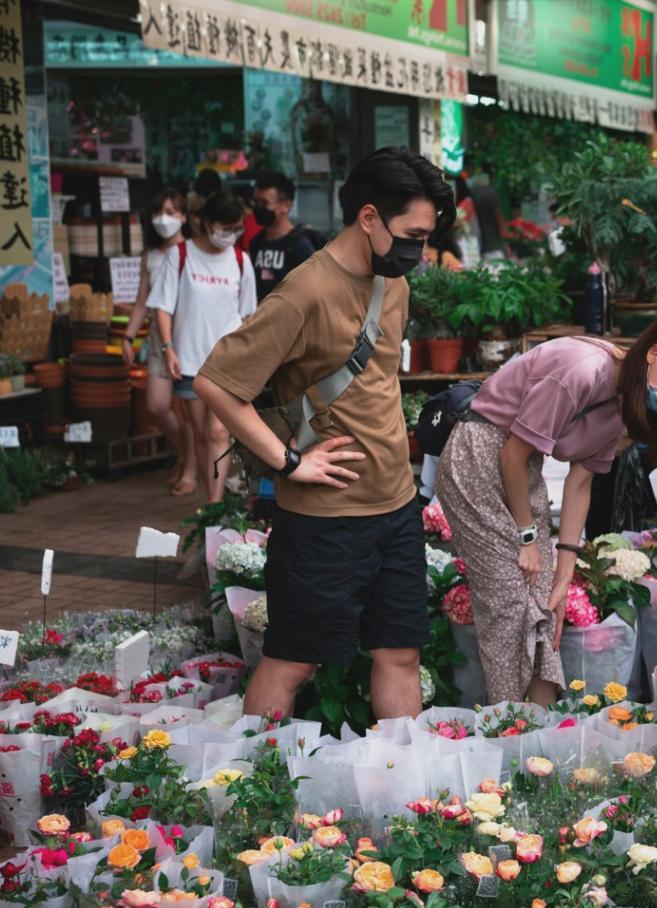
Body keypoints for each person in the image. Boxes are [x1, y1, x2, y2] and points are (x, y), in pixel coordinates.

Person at [194, 146, 453, 722]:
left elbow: (378, 384)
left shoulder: (394, 283)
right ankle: (252, 793)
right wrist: (288, 462)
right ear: (367, 218)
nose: (420, 250)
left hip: (396, 505)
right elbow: (216, 382)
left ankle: (399, 791)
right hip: (323, 521)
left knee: (401, 654)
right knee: (293, 660)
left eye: (426, 236)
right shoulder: (304, 291)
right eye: (411, 234)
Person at [436, 309, 657, 706]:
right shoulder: (581, 370)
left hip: (522, 472)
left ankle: (538, 736)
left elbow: (581, 481)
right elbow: (511, 454)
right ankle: (507, 733)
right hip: (478, 456)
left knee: (546, 607)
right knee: (507, 607)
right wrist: (527, 537)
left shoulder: (623, 399)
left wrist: (566, 568)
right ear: (655, 353)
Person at [149, 190, 257, 503]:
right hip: (189, 361)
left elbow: (248, 315)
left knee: (219, 432)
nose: (231, 235)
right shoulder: (180, 255)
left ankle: (215, 503)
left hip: (228, 363)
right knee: (199, 433)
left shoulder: (241, 260)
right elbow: (163, 307)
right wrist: (169, 348)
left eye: (237, 229)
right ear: (206, 223)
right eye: (225, 228)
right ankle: (213, 498)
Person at [122, 187, 197, 493]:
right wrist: (128, 335)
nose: (163, 219)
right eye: (158, 213)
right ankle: (186, 452)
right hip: (156, 340)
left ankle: (190, 471)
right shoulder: (150, 256)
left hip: (189, 339)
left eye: (171, 212)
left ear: (183, 216)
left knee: (192, 411)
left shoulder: (194, 252)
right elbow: (143, 301)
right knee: (157, 405)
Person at [249, 170, 317, 303]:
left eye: (264, 203)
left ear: (286, 206)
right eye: (255, 202)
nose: (258, 208)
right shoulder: (256, 242)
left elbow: (312, 293)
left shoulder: (300, 246)